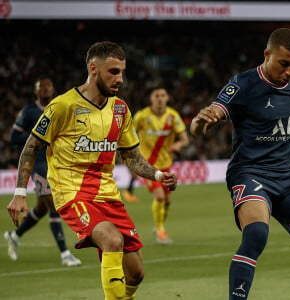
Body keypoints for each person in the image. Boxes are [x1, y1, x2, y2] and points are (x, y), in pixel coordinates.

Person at [7, 41, 177, 300]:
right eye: (113, 72)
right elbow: (30, 147)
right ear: (94, 68)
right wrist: (20, 192)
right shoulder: (63, 106)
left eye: (122, 71)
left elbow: (131, 156)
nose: (120, 78)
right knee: (111, 240)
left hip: (108, 195)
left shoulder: (120, 110)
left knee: (135, 273)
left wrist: (156, 175)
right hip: (72, 193)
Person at [190, 28, 290, 299]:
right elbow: (207, 116)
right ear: (267, 54)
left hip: (287, 174)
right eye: (284, 64)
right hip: (250, 173)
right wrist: (203, 121)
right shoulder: (243, 84)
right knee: (257, 234)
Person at [4, 76, 81, 267]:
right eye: (42, 87)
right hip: (38, 165)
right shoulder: (29, 111)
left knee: (42, 208)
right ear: (36, 91)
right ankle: (65, 254)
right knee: (54, 206)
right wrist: (37, 138)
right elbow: (14, 137)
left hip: (57, 163)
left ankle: (14, 235)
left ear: (53, 89)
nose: (45, 89)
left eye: (48, 86)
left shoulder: (60, 108)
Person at [133, 87, 189, 244]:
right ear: (151, 98)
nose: (160, 98)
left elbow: (185, 139)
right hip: (148, 166)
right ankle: (160, 231)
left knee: (167, 202)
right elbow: (127, 135)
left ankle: (160, 225)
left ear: (167, 97)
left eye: (163, 95)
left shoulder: (172, 116)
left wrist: (178, 145)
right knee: (159, 196)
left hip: (166, 165)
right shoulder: (142, 116)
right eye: (156, 95)